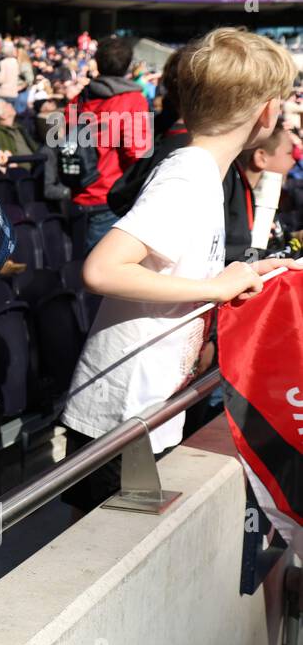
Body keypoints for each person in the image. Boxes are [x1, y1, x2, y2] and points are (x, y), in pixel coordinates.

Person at [60, 28, 302, 514]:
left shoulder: (202, 173)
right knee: (109, 550)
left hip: (145, 407)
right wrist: (213, 288)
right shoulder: (188, 175)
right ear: (267, 113)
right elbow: (103, 268)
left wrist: (238, 275)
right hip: (122, 411)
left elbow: (172, 264)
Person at [68, 34, 152, 252]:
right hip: (110, 198)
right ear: (128, 65)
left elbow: (63, 134)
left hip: (78, 193)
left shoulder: (81, 97)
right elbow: (137, 151)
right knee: (101, 279)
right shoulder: (133, 100)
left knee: (79, 270)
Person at [223, 117, 300, 262]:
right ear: (261, 158)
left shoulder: (268, 199)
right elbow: (246, 261)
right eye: (289, 153)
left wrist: (298, 237)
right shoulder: (235, 208)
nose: (293, 161)